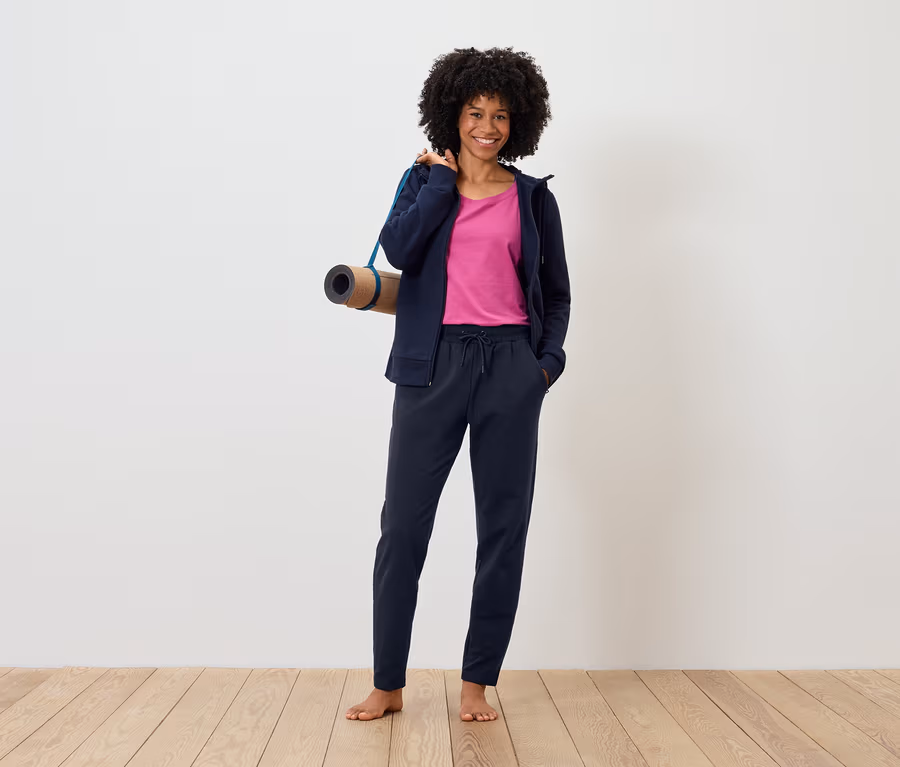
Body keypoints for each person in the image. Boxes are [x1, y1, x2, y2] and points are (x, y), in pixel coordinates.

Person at [346, 46, 571, 723]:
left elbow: (557, 292)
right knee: (402, 529)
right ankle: (388, 683)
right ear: (453, 114)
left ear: (518, 121)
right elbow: (399, 249)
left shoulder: (533, 199)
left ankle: (477, 683)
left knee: (503, 529)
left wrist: (544, 366)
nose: (487, 127)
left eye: (500, 115)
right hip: (431, 365)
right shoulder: (424, 182)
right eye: (475, 113)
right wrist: (441, 183)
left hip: (510, 367)